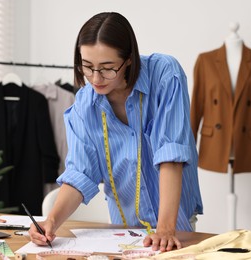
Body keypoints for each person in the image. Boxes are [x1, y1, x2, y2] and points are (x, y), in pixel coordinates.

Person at [29, 12, 203, 252]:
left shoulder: (164, 74)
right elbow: (80, 173)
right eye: (87, 67)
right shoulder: (84, 105)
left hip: (174, 225)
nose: (95, 78)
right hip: (125, 232)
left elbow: (170, 153)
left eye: (108, 68)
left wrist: (165, 229)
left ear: (129, 59)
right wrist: (52, 221)